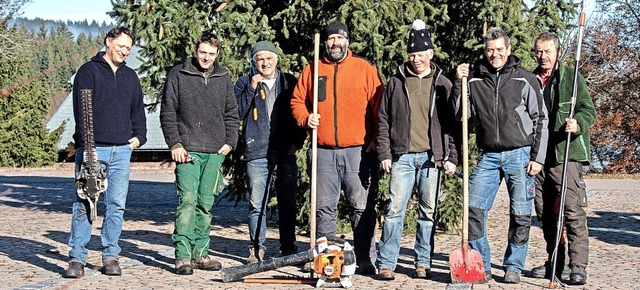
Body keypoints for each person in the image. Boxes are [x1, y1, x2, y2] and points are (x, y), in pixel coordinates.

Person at [454, 27, 549, 284]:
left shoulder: (525, 79)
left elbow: (541, 119)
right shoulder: (473, 80)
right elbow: (461, 116)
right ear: (485, 52)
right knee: (473, 209)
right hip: (489, 155)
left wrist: (537, 158)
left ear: (508, 50)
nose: (494, 54)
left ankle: (513, 266)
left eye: (499, 49)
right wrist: (457, 83)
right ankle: (481, 263)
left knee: (520, 214)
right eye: (490, 50)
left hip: (520, 154)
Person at [290, 21, 384, 274]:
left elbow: (379, 107)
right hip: (323, 151)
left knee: (361, 207)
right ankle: (328, 259)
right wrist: (306, 118)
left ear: (347, 42)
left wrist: (376, 139)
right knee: (323, 209)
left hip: (358, 152)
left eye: (339, 39)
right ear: (326, 43)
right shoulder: (313, 69)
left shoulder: (364, 69)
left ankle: (365, 258)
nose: (335, 43)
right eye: (331, 39)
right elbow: (298, 101)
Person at [376, 19, 458, 281]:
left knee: (428, 213)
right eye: (412, 54)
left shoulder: (443, 83)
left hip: (431, 159)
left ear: (430, 54)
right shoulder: (396, 82)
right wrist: (385, 153)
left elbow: (453, 125)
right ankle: (387, 262)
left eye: (421, 54)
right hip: (401, 157)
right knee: (394, 211)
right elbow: (383, 119)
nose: (416, 59)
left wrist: (451, 157)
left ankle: (423, 262)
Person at [64, 26, 147, 278]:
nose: (124, 51)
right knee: (85, 204)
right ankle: (77, 258)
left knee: (116, 205)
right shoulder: (88, 72)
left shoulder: (131, 77)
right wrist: (87, 147)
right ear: (108, 41)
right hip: (92, 148)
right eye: (120, 45)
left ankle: (111, 255)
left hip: (121, 151)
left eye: (128, 48)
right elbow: (82, 112)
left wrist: (139, 138)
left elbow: (137, 111)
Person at [160, 32, 239, 275]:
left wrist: (230, 142)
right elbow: (168, 112)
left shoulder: (223, 77)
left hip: (215, 151)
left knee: (206, 203)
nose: (206, 57)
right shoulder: (178, 75)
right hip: (187, 150)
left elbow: (231, 112)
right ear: (196, 51)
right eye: (203, 52)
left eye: (211, 54)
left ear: (217, 54)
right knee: (188, 201)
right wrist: (175, 143)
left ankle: (200, 254)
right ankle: (182, 255)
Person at [529, 32, 596, 285]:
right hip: (538, 156)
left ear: (558, 52)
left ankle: (577, 265)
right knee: (545, 213)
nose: (542, 56)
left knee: (571, 210)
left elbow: (588, 110)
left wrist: (577, 124)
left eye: (547, 51)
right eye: (538, 51)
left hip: (564, 154)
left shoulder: (572, 77)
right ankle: (554, 261)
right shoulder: (531, 79)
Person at [234, 40, 306, 263]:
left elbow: (301, 113)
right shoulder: (244, 83)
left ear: (276, 59)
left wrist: (297, 143)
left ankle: (288, 246)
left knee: (288, 202)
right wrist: (252, 89)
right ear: (253, 62)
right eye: (260, 59)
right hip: (257, 151)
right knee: (257, 204)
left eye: (268, 58)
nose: (264, 63)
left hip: (286, 151)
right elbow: (237, 112)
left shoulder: (289, 82)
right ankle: (256, 248)